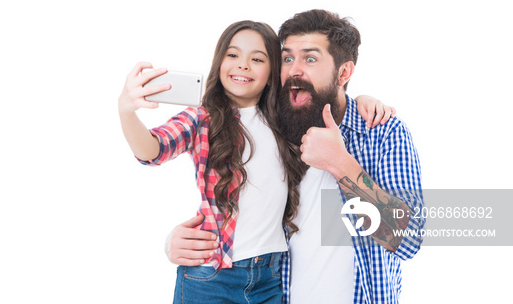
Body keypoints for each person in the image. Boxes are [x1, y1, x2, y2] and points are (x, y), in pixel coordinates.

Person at [120, 20, 396, 304]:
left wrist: (362, 99)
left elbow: (402, 234)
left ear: (271, 72)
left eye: (257, 59)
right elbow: (153, 148)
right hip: (212, 276)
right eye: (233, 55)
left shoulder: (284, 119)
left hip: (269, 279)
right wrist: (127, 112)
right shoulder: (203, 119)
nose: (243, 65)